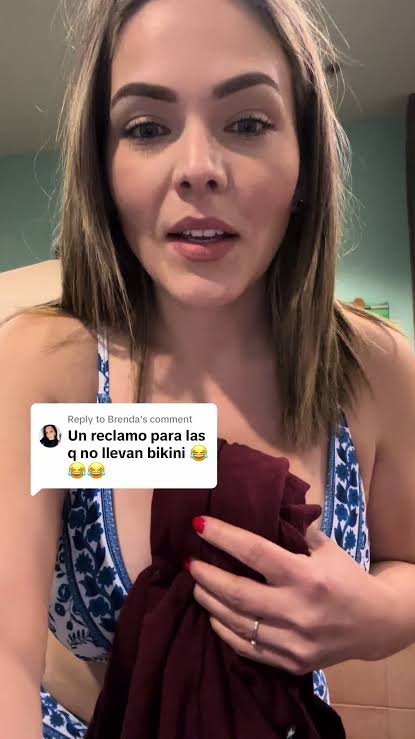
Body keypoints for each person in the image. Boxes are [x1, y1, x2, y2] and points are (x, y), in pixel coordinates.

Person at [0, 0, 414, 737]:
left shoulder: (373, 366)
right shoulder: (46, 367)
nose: (197, 169)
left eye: (247, 122)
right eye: (146, 128)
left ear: (304, 157)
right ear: (104, 167)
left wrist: (381, 614)